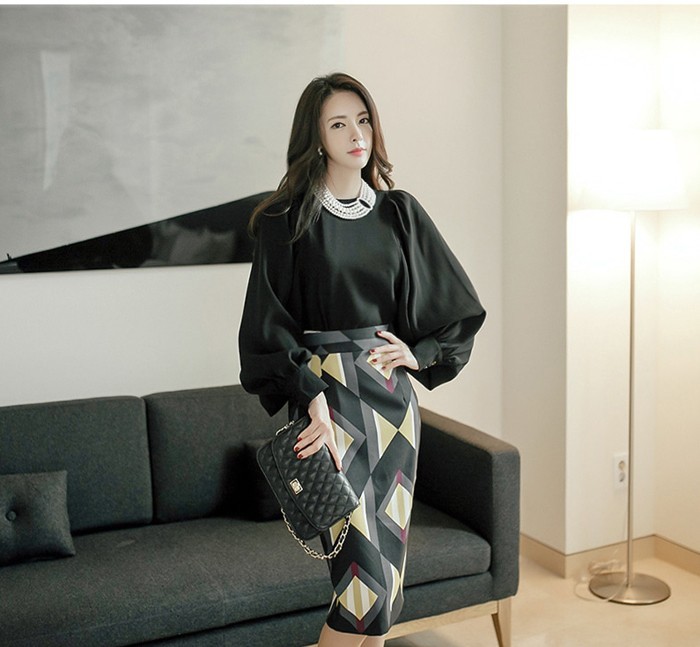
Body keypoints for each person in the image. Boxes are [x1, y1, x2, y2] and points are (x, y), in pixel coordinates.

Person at [238, 73, 485, 647]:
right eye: (339, 124)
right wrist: (311, 402)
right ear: (316, 137)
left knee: (384, 598)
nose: (356, 134)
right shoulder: (285, 218)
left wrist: (419, 354)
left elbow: (458, 307)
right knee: (360, 593)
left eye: (363, 120)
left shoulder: (399, 212)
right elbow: (266, 330)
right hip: (330, 407)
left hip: (393, 408)